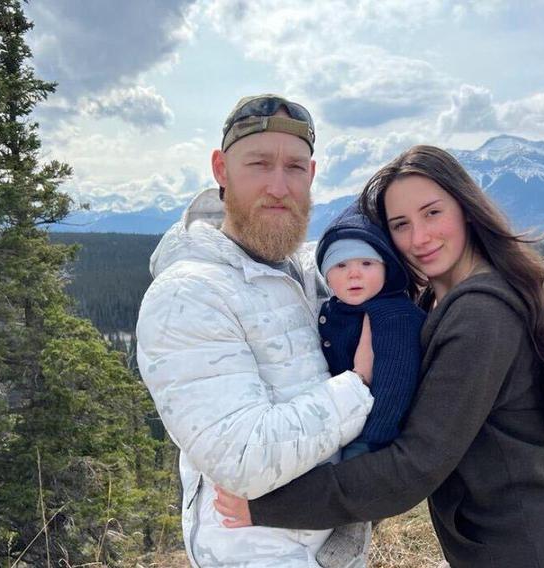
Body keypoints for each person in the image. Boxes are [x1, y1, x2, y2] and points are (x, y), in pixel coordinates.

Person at [214, 145, 544, 568]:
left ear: (466, 209)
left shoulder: (481, 316)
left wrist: (266, 504)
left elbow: (415, 466)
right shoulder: (433, 304)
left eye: (432, 213)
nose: (419, 238)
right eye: (401, 225)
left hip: (530, 550)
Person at [135, 94, 375, 568]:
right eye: (259, 164)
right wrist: (359, 386)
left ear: (312, 173)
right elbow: (243, 459)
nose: (279, 187)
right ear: (221, 170)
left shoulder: (306, 271)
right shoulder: (187, 294)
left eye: (295, 167)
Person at [313, 206, 426, 567]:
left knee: (352, 479)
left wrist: (371, 435)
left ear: (386, 268)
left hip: (373, 426)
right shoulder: (338, 308)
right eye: (340, 266)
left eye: (366, 264)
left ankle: (354, 524)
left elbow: (396, 381)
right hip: (344, 414)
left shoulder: (393, 316)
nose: (354, 274)